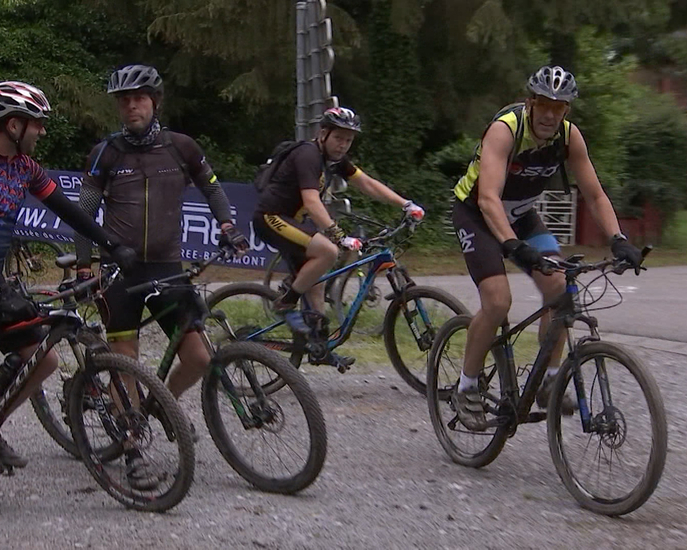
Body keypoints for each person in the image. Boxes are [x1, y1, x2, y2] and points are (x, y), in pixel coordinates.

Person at [0, 81, 136, 525]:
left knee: (45, 360)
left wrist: (110, 243)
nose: (41, 132)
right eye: (36, 124)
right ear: (14, 124)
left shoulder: (23, 166)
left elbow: (68, 209)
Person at [450, 66, 643, 430]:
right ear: (531, 103)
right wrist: (511, 245)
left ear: (566, 110)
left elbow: (595, 193)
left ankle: (551, 378)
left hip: (521, 215)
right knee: (497, 302)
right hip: (476, 213)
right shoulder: (505, 130)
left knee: (559, 288)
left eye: (560, 107)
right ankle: (467, 387)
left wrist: (618, 239)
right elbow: (489, 198)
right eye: (544, 104)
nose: (551, 114)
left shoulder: (569, 137)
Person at [74, 64, 248, 439]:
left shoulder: (182, 147)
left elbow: (213, 190)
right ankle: (130, 439)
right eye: (124, 101)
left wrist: (227, 226)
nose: (131, 107)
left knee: (199, 358)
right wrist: (86, 268)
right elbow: (83, 214)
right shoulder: (105, 152)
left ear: (154, 102)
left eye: (138, 99)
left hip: (168, 267)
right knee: (125, 363)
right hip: (119, 271)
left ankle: (159, 405)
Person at [252, 106, 425, 367]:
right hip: (271, 216)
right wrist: (339, 235)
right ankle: (286, 301)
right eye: (338, 138)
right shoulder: (308, 155)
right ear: (323, 133)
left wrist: (406, 204)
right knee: (328, 251)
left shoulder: (333, 160)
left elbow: (366, 183)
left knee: (317, 281)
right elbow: (311, 201)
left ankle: (319, 346)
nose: (343, 145)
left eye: (348, 140)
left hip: (292, 220)